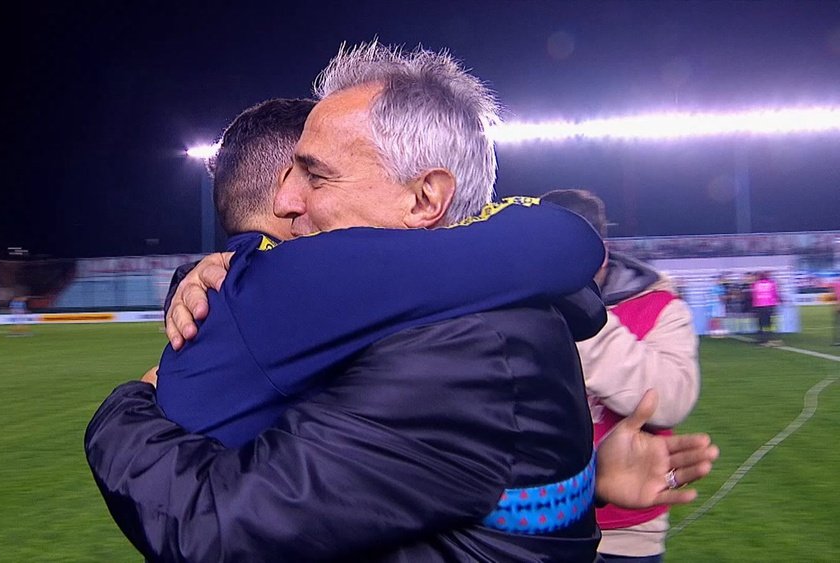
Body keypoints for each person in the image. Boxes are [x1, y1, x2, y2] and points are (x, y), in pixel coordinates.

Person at [88, 42, 718, 562]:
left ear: (424, 200)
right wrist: (572, 488)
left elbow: (216, 529)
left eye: (315, 174)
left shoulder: (458, 349)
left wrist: (124, 412)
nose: (286, 204)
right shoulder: (461, 309)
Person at [153, 98, 606, 448]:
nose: (293, 198)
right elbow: (566, 246)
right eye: (311, 172)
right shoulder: (302, 284)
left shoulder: (240, 289)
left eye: (315, 175)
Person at [541, 189, 701, 563]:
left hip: (623, 534)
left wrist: (583, 319)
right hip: (526, 525)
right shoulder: (517, 302)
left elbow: (670, 400)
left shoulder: (658, 304)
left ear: (600, 249)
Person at [752, 271, 782, 346]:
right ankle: (769, 337)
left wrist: (754, 305)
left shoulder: (756, 284)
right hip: (769, 305)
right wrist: (778, 301)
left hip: (759, 305)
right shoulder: (771, 283)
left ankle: (761, 339)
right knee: (768, 322)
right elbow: (775, 294)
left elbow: (754, 295)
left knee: (760, 323)